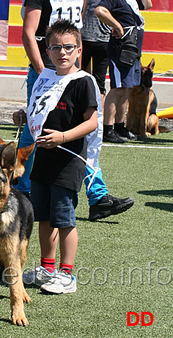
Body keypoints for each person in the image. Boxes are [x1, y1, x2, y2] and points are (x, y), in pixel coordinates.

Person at [14, 0, 134, 221]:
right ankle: (21, 188)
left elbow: (76, 35)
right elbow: (28, 34)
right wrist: (44, 75)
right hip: (47, 72)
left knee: (80, 134)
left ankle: (97, 195)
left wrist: (79, 71)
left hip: (71, 73)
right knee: (36, 130)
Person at [23, 19, 99, 294]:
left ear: (79, 50)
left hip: (68, 158)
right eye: (56, 47)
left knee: (64, 217)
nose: (62, 52)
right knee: (43, 215)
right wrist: (25, 115)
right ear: (47, 51)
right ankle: (47, 267)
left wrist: (63, 137)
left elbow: (91, 122)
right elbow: (41, 108)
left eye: (68, 47)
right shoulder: (46, 76)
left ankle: (67, 275)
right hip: (43, 157)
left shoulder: (83, 82)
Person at [95, 0, 152, 143]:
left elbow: (147, 4)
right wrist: (117, 26)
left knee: (127, 89)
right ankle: (108, 128)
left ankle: (120, 127)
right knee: (118, 89)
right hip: (121, 49)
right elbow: (100, 11)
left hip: (132, 50)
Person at [81, 0, 112, 109]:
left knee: (81, 78)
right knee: (100, 82)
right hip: (104, 38)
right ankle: (99, 118)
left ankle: (82, 113)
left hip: (85, 36)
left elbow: (82, 11)